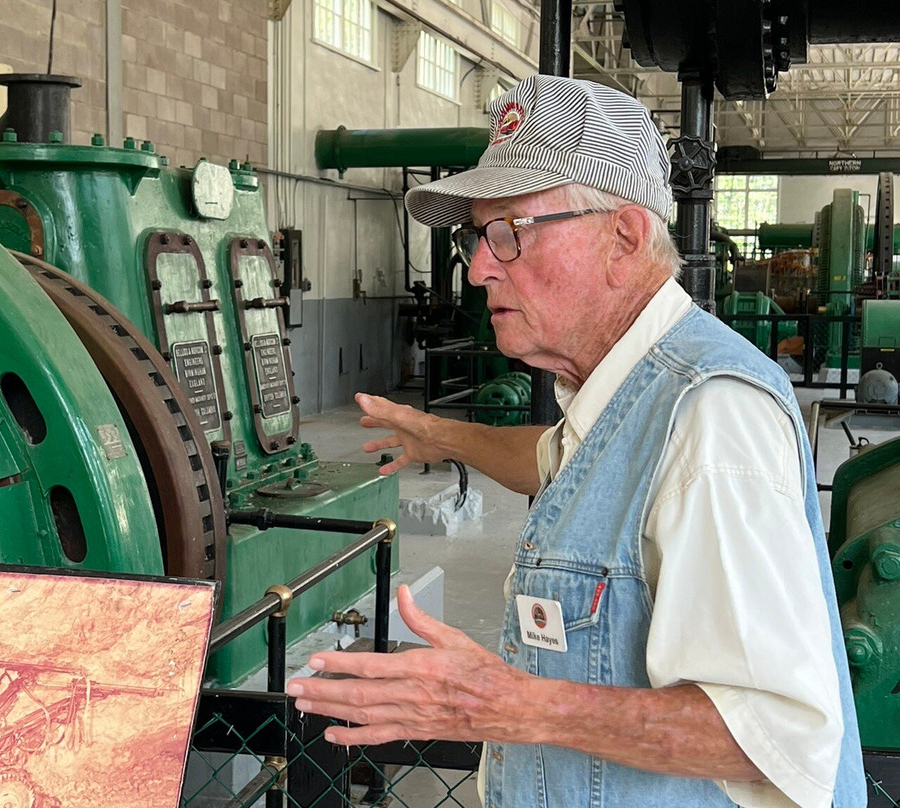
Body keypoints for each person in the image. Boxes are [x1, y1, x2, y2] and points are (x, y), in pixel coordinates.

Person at [286, 75, 865, 808]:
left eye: (511, 233)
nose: (478, 267)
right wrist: (438, 434)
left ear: (622, 235)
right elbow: (554, 461)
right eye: (477, 235)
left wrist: (506, 705)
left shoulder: (712, 416)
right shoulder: (627, 396)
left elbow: (778, 732)